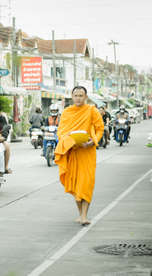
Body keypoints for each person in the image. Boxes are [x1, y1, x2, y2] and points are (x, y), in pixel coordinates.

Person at [54, 86, 104, 226]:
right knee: (75, 183)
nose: (78, 98)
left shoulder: (92, 111)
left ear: (86, 97)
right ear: (72, 96)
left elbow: (100, 128)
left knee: (86, 183)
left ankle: (84, 215)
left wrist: (93, 141)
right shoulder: (67, 112)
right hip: (72, 151)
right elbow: (61, 132)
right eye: (76, 95)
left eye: (81, 95)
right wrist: (69, 138)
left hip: (87, 152)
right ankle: (80, 214)